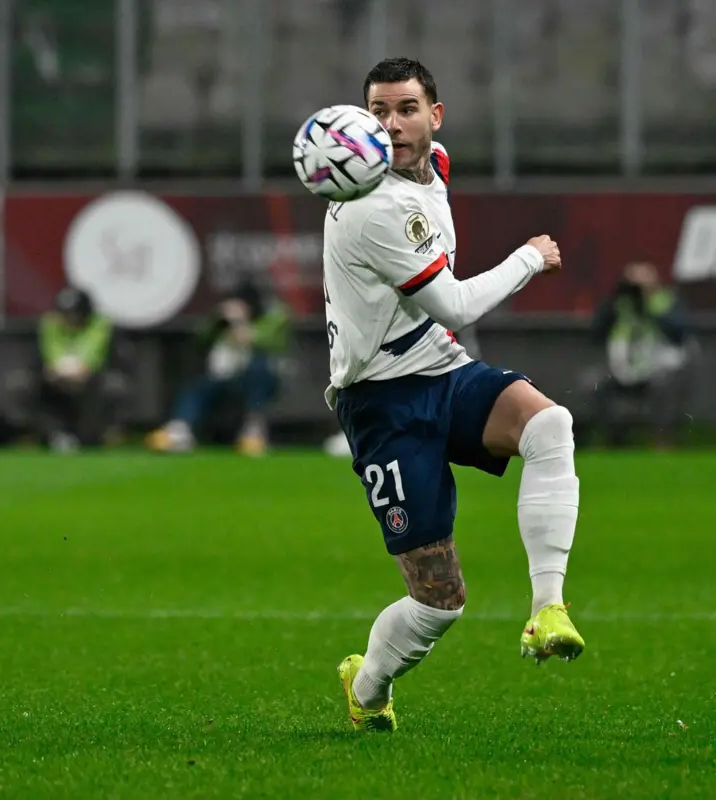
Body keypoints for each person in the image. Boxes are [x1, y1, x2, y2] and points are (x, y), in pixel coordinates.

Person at [321, 58, 584, 732]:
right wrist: (530, 257)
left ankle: (548, 608)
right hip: (381, 402)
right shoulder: (369, 206)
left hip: (439, 370)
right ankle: (368, 682)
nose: (392, 123)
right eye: (378, 110)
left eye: (406, 108)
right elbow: (456, 303)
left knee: (549, 425)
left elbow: (445, 326)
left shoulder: (433, 162)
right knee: (439, 602)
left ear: (434, 117)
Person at [146, 280, 290, 456]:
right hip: (226, 377)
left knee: (258, 372)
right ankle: (180, 431)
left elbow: (261, 339)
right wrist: (218, 320)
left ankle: (254, 432)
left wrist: (241, 324)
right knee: (197, 388)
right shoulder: (223, 318)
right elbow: (201, 337)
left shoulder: (275, 315)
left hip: (263, 378)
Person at [587, 261, 695, 448]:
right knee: (592, 383)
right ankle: (610, 440)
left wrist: (647, 308)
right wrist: (614, 300)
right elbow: (596, 334)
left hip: (659, 368)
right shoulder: (618, 305)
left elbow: (679, 334)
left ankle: (662, 441)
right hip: (622, 369)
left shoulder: (667, 301)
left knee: (665, 388)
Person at [29, 286, 117, 451]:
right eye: (66, 315)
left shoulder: (100, 324)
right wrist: (57, 371)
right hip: (56, 381)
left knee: (113, 386)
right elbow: (51, 354)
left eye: (75, 315)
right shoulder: (50, 324)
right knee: (23, 386)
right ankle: (55, 434)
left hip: (90, 382)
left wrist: (81, 370)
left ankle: (92, 436)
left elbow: (92, 355)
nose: (70, 319)